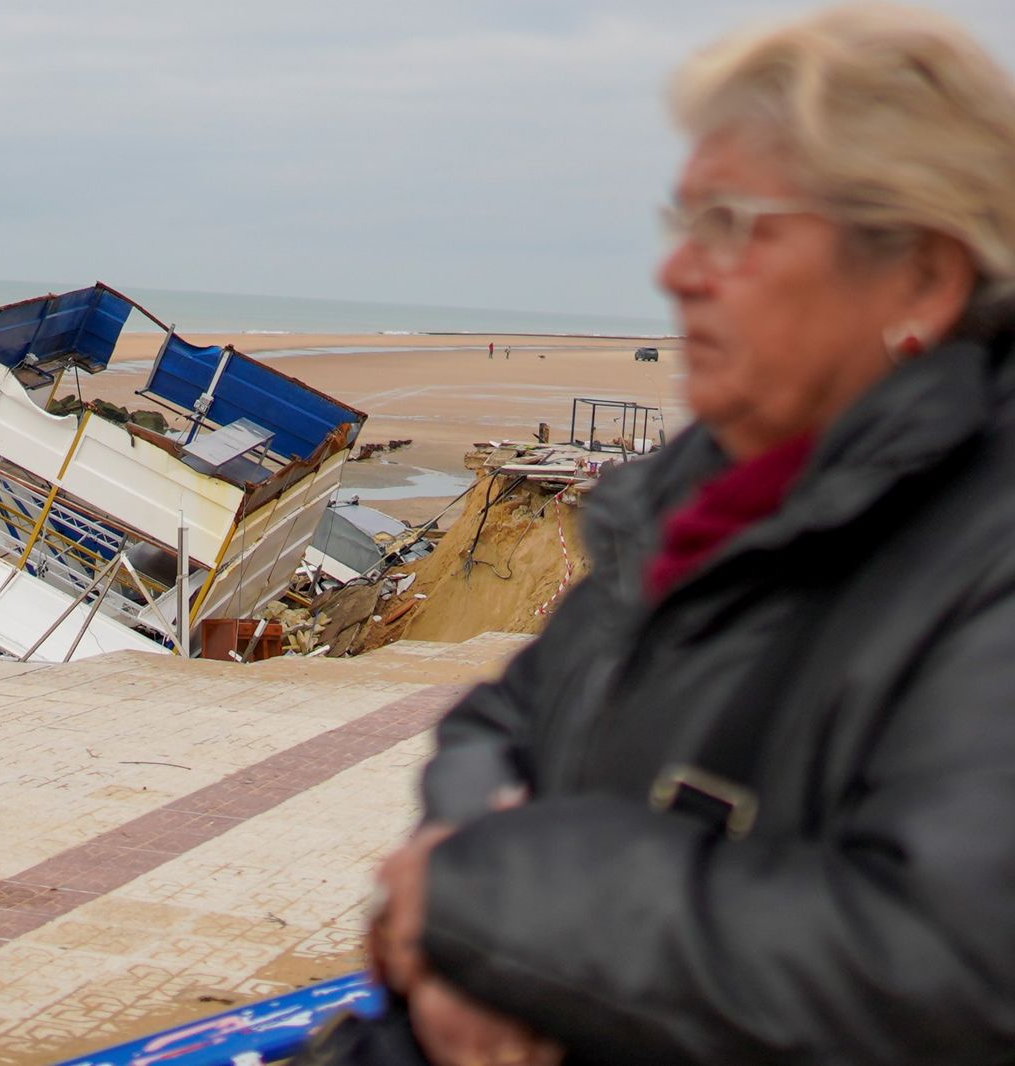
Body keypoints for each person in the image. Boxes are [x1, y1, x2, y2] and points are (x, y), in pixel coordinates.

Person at [365, 6, 1015, 1064]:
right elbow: (501, 718)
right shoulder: (688, 500)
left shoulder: (982, 551)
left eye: (733, 225)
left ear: (920, 279)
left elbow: (944, 966)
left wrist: (486, 908)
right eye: (684, 223)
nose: (675, 274)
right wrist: (464, 939)